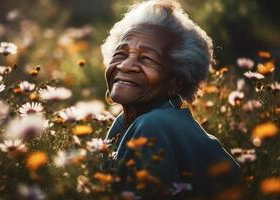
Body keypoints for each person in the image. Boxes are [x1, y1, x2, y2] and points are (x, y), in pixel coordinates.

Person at [101, 0, 241, 199]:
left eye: (146, 58)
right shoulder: (125, 124)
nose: (125, 65)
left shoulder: (153, 125)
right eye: (120, 53)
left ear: (175, 82)